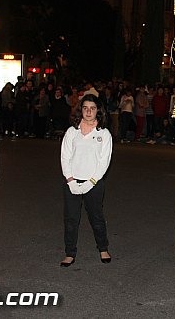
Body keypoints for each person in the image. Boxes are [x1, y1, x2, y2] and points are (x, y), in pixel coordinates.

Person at [59, 94, 113, 267]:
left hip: (94, 183)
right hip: (72, 181)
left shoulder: (104, 134)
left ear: (98, 111)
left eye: (92, 108)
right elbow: (65, 157)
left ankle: (103, 248)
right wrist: (70, 180)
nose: (89, 111)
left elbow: (104, 162)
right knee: (71, 219)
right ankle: (70, 253)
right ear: (80, 110)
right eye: (85, 108)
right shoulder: (72, 132)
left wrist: (91, 182)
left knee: (96, 217)